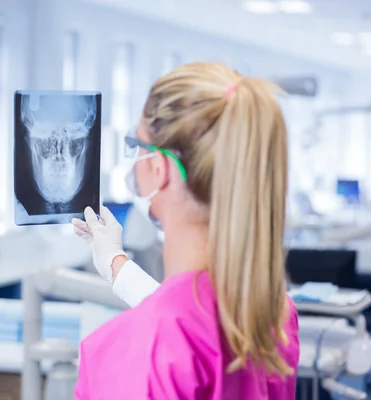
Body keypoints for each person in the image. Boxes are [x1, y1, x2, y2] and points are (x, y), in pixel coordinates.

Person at [71, 62, 300, 399]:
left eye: (136, 144)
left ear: (159, 168)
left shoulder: (127, 352)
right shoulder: (273, 312)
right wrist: (118, 268)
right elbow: (195, 321)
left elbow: (175, 333)